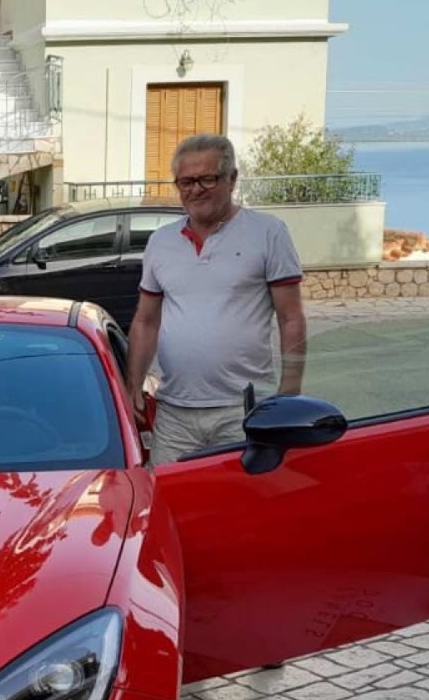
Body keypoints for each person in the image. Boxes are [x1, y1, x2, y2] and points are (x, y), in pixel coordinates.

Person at [125, 133, 308, 467]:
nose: (195, 190)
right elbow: (145, 321)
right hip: (175, 412)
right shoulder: (161, 242)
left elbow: (291, 317)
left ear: (232, 179)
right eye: (186, 182)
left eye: (207, 179)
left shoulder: (268, 233)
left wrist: (290, 393)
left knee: (239, 497)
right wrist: (133, 385)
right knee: (171, 494)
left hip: (243, 411)